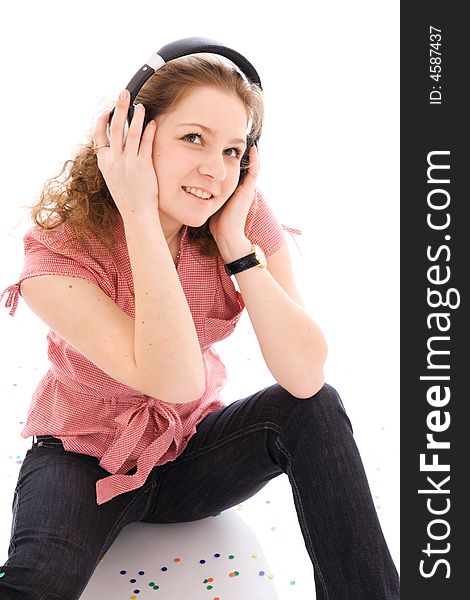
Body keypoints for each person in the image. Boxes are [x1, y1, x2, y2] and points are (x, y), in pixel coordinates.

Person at [0, 51, 399, 599]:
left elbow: (305, 376)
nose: (215, 169)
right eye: (194, 138)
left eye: (233, 150)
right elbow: (173, 378)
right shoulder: (59, 252)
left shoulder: (242, 218)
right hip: (80, 462)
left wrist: (237, 245)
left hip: (189, 452)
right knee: (35, 582)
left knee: (317, 406)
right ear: (130, 138)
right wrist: (139, 212)